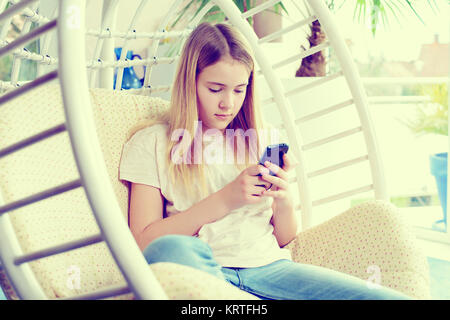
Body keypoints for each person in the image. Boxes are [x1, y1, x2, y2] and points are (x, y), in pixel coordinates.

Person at [119, 22, 410, 300]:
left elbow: (286, 237)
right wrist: (225, 199)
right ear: (189, 82)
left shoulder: (262, 137)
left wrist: (283, 197)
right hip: (207, 277)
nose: (228, 104)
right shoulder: (153, 143)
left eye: (238, 89)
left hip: (272, 270)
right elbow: (146, 242)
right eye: (215, 88)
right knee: (171, 250)